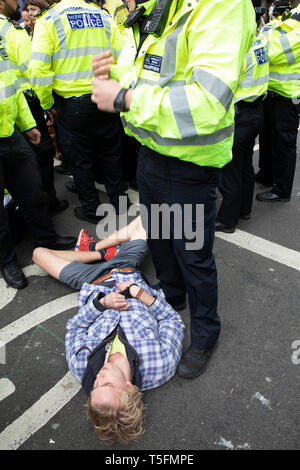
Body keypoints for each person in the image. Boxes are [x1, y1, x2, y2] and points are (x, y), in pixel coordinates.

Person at [91, 0, 256, 379]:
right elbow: (151, 74)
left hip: (190, 164)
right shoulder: (162, 5)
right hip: (151, 153)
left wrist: (123, 98)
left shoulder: (223, 5)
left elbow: (208, 102)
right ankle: (172, 296)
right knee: (161, 241)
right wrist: (113, 73)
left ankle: (205, 334)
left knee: (193, 256)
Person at [32, 217, 185, 444]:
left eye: (94, 387)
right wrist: (137, 292)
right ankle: (105, 252)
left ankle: (99, 253)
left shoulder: (82, 367)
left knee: (38, 253)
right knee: (152, 215)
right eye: (106, 384)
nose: (98, 377)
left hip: (93, 282)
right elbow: (172, 319)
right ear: (129, 388)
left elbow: (74, 328)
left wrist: (101, 304)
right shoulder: (161, 363)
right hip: (127, 270)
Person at [28, 0, 130, 224]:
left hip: (72, 104)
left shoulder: (50, 19)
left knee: (81, 160)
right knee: (111, 153)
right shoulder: (101, 14)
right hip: (105, 95)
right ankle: (120, 202)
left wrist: (47, 104)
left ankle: (92, 210)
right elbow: (125, 55)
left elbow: (37, 69)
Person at [0, 38, 76, 289]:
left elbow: (11, 88)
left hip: (10, 134)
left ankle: (47, 240)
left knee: (32, 192)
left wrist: (27, 124)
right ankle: (8, 261)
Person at [0, 0, 69, 217]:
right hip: (26, 103)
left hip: (12, 111)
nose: (19, 6)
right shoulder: (13, 32)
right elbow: (33, 71)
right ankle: (49, 205)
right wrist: (45, 104)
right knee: (40, 156)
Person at [216, 1, 270, 233]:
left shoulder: (240, 48)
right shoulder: (260, 42)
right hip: (256, 111)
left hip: (241, 114)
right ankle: (244, 209)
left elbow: (225, 84)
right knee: (245, 165)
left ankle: (228, 219)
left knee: (230, 169)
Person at [256, 3, 300, 201]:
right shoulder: (284, 25)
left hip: (288, 96)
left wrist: (261, 41)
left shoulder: (295, 31)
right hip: (271, 91)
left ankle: (281, 190)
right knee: (266, 138)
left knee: (284, 143)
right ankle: (266, 175)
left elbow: (271, 52)